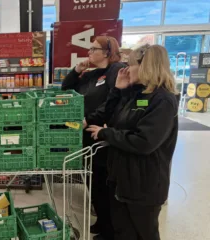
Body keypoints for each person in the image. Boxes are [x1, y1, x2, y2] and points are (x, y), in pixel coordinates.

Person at [86, 44, 179, 240]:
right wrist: (119, 91)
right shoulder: (138, 96)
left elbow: (144, 142)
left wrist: (106, 133)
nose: (126, 70)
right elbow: (117, 121)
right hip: (123, 179)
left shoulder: (163, 101)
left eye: (130, 64)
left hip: (143, 184)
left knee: (143, 233)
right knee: (123, 231)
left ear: (146, 65)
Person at [62, 36, 125, 240]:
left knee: (104, 181)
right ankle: (103, 221)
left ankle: (111, 228)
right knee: (92, 180)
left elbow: (111, 102)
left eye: (93, 49)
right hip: (87, 135)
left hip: (102, 136)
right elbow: (66, 89)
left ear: (107, 52)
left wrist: (90, 120)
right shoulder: (92, 75)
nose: (88, 52)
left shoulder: (115, 71)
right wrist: (77, 71)